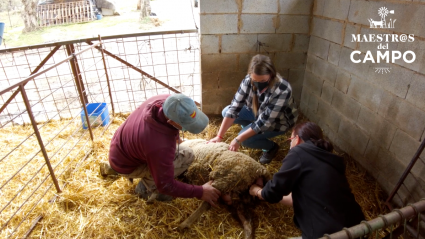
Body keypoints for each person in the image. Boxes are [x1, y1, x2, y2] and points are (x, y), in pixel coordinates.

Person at [249, 122, 365, 239]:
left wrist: (257, 191)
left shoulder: (298, 152)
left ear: (297, 139)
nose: (290, 144)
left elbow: (273, 192)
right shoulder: (329, 160)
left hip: (328, 234)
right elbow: (296, 199)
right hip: (358, 228)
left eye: (290, 139)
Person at [100, 94, 221, 206]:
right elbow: (166, 185)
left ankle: (114, 167)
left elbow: (169, 128)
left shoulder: (168, 102)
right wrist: (200, 191)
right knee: (187, 155)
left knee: (172, 151)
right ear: (171, 122)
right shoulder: (160, 144)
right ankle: (146, 188)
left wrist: (176, 137)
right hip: (128, 161)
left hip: (120, 148)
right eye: (186, 127)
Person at [208, 54, 298, 164]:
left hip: (278, 122)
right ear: (250, 75)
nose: (258, 84)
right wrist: (219, 136)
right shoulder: (248, 80)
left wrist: (238, 139)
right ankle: (249, 130)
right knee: (226, 111)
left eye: (263, 80)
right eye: (255, 80)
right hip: (256, 112)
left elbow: (264, 123)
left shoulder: (282, 89)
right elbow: (234, 108)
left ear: (271, 75)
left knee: (245, 140)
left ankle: (271, 147)